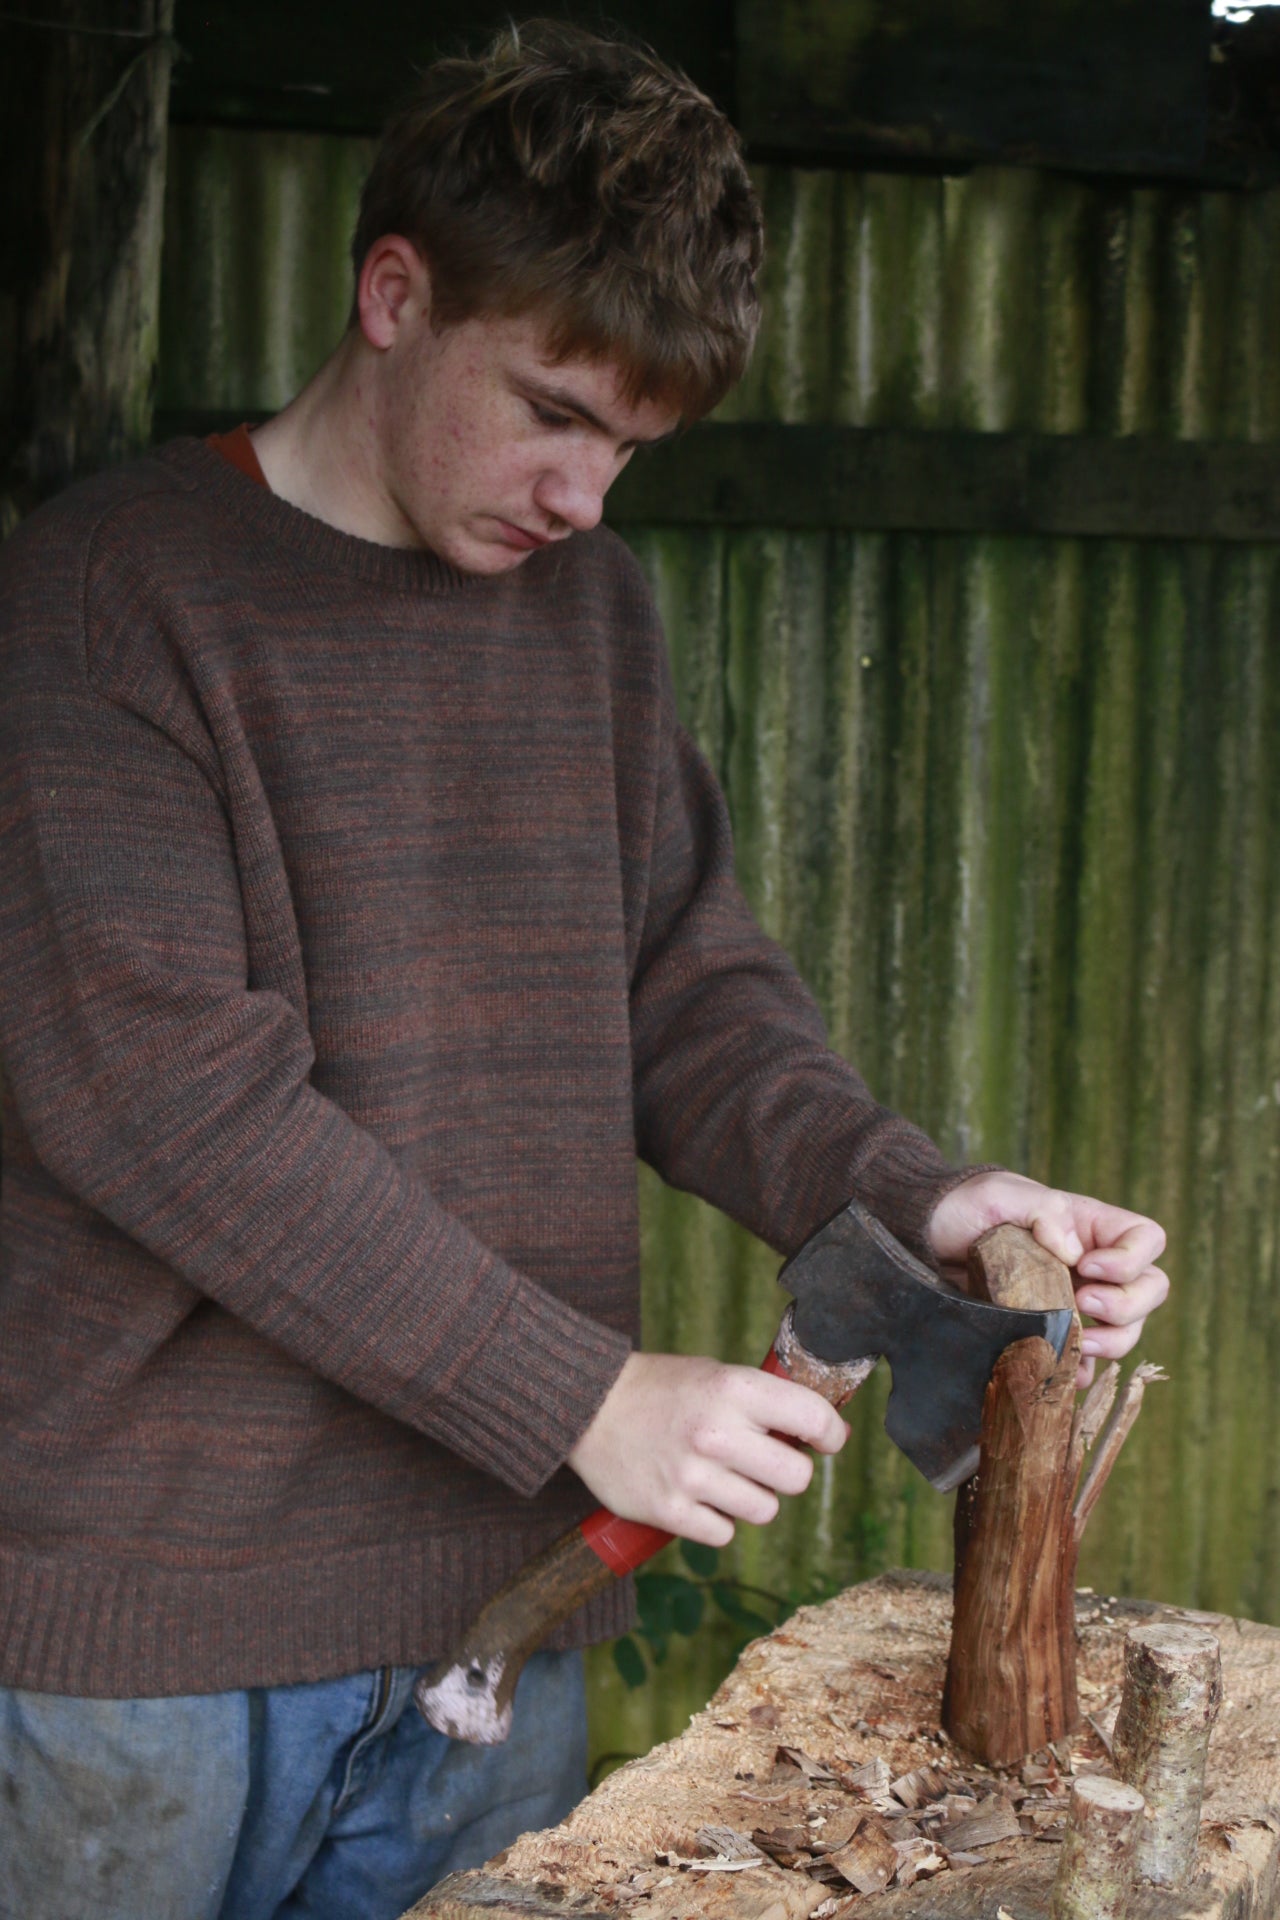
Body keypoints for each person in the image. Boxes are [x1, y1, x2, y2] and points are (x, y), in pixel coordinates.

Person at [0, 20, 1168, 1920]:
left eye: (629, 446)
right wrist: (581, 1396)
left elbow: (687, 996)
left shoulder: (588, 616)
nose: (583, 497)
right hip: (135, 1656)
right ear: (396, 293)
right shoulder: (106, 600)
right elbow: (163, 1104)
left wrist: (925, 1195)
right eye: (551, 408)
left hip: (499, 1627)